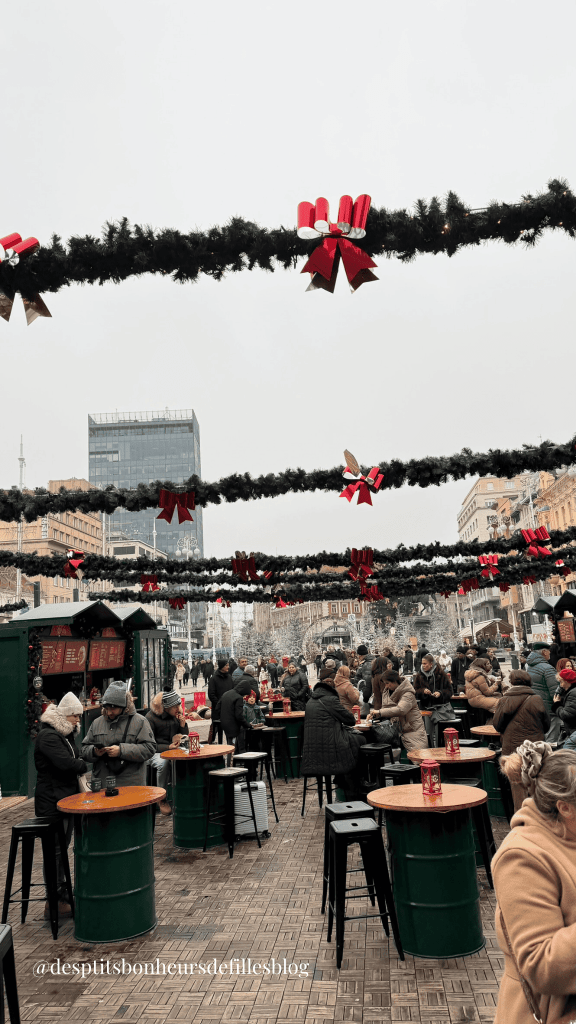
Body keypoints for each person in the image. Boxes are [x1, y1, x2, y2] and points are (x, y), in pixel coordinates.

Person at [492, 741, 576, 1024]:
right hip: (550, 1011)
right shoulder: (521, 856)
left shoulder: (572, 833)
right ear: (565, 808)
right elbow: (541, 966)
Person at [34, 691, 88, 917]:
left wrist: (78, 762)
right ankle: (54, 899)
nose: (78, 720)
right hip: (52, 802)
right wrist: (81, 764)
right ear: (65, 715)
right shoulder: (49, 736)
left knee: (61, 849)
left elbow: (73, 760)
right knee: (55, 851)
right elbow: (67, 763)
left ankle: (61, 894)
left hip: (63, 798)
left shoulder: (64, 735)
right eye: (75, 715)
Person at [300, 671, 366, 799]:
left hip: (311, 754)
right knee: (361, 740)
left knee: (348, 742)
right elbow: (350, 720)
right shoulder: (331, 699)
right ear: (332, 689)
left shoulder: (310, 702)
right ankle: (357, 781)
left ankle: (341, 779)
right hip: (329, 752)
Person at [492, 671, 550, 810]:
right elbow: (546, 726)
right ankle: (538, 818)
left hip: (512, 749)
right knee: (536, 782)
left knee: (516, 784)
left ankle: (521, 821)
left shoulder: (504, 700)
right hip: (534, 749)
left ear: (512, 682)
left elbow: (497, 725)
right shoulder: (536, 699)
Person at [82, 682, 155, 787]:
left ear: (124, 706)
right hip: (103, 784)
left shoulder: (140, 721)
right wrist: (94, 752)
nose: (109, 712)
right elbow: (84, 750)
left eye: (113, 708)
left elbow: (149, 748)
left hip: (131, 784)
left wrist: (121, 750)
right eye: (107, 708)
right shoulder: (97, 723)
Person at [146, 690, 189, 815]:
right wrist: (167, 747)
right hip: (154, 752)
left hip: (171, 749)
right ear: (166, 707)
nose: (178, 708)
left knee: (187, 758)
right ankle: (161, 798)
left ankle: (182, 793)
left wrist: (182, 725)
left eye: (178, 705)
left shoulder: (174, 716)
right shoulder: (150, 718)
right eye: (175, 706)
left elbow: (182, 737)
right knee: (163, 763)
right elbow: (149, 745)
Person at [367, 671, 428, 753]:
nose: (386, 686)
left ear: (395, 681)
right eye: (385, 684)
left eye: (388, 683)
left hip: (413, 730)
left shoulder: (408, 693)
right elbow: (386, 709)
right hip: (398, 731)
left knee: (418, 757)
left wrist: (380, 712)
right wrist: (375, 715)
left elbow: (401, 710)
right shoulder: (388, 692)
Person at [219, 671, 257, 752]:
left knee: (230, 745)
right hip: (233, 725)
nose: (244, 697)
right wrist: (248, 725)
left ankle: (231, 760)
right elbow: (239, 716)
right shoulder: (238, 697)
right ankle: (238, 759)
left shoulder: (226, 693)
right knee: (239, 745)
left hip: (224, 723)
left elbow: (217, 708)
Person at [525, 643, 558, 713]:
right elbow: (555, 691)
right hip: (548, 708)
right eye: (549, 651)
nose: (550, 653)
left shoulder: (530, 666)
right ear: (544, 652)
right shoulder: (548, 669)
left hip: (535, 705)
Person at [207, 659, 234, 744]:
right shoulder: (214, 679)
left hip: (229, 710)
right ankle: (219, 751)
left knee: (229, 733)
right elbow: (211, 694)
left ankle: (230, 750)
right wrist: (220, 704)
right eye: (226, 665)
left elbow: (233, 691)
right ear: (221, 666)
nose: (228, 667)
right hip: (218, 710)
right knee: (218, 732)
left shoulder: (229, 677)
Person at [550, 668, 576, 742]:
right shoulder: (571, 691)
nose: (561, 685)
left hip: (573, 731)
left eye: (561, 682)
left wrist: (557, 704)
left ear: (567, 681)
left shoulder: (573, 693)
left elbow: (566, 715)